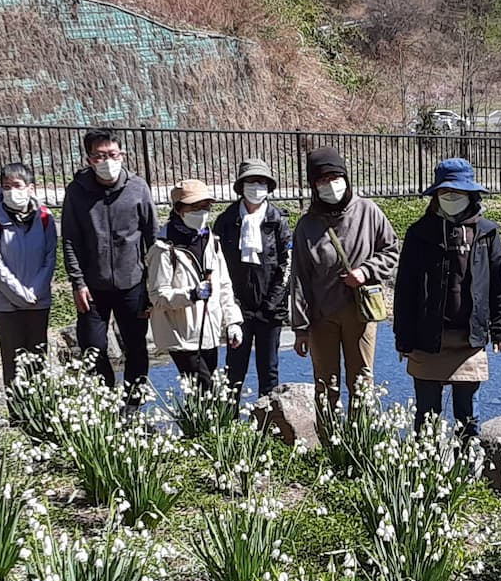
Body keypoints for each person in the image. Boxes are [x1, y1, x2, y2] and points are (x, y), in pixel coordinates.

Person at [393, 158, 501, 441]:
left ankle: (467, 464)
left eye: (457, 192)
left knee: (468, 417)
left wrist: (500, 329)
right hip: (426, 339)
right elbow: (405, 289)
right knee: (427, 417)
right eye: (445, 191)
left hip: (469, 340)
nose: (451, 197)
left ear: (471, 194)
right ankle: (427, 464)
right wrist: (403, 338)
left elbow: (499, 284)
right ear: (436, 194)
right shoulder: (419, 233)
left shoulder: (487, 233)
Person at [289, 147, 399, 413]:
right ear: (314, 186)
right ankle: (329, 437)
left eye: (335, 177)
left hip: (360, 312)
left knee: (362, 381)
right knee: (325, 384)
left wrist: (366, 271)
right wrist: (301, 328)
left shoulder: (368, 211)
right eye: (322, 180)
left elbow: (391, 250)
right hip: (321, 316)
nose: (330, 184)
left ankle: (361, 435)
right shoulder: (307, 225)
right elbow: (299, 279)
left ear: (346, 178)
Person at [61, 128, 157, 395]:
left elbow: (152, 237)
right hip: (93, 286)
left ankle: (132, 402)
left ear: (122, 155)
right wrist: (77, 282)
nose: (107, 161)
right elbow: (70, 240)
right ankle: (106, 399)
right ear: (89, 159)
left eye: (113, 154)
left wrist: (153, 282)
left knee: (136, 346)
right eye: (100, 156)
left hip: (133, 283)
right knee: (92, 348)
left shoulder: (138, 187)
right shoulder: (77, 191)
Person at [147, 179, 243, 390]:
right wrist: (191, 294)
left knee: (205, 394)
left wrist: (233, 322)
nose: (202, 212)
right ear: (179, 209)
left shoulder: (211, 241)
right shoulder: (163, 249)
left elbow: (224, 285)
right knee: (204, 388)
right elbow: (158, 296)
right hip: (181, 334)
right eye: (195, 207)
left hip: (210, 330)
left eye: (205, 207)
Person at [211, 158, 291, 397]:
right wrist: (233, 308)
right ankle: (230, 418)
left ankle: (268, 417)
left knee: (269, 372)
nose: (256, 187)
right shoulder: (226, 221)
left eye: (261, 182)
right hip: (237, 310)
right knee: (234, 372)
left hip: (270, 310)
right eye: (251, 181)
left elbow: (287, 265)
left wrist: (271, 304)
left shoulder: (278, 220)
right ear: (241, 186)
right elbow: (217, 266)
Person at [0, 163, 58, 388]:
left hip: (38, 299)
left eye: (17, 185)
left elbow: (50, 257)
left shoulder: (45, 217)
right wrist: (19, 294)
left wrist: (35, 291)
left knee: (38, 359)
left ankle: (41, 403)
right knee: (13, 361)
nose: (12, 191)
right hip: (6, 303)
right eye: (6, 186)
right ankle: (16, 407)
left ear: (30, 188)